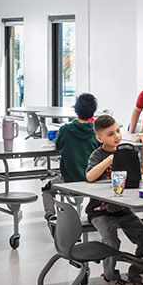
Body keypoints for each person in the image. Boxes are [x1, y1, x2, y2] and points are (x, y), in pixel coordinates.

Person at [85, 115, 143, 285]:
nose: (117, 136)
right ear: (100, 138)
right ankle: (110, 276)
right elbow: (90, 177)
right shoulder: (97, 154)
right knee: (111, 240)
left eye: (117, 131)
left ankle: (135, 276)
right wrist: (110, 159)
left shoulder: (128, 153)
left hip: (123, 209)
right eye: (110, 134)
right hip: (101, 211)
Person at [41, 93, 101, 230]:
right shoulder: (96, 133)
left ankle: (51, 217)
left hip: (68, 182)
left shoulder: (65, 130)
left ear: (76, 110)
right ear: (93, 111)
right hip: (91, 183)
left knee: (46, 190)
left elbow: (59, 146)